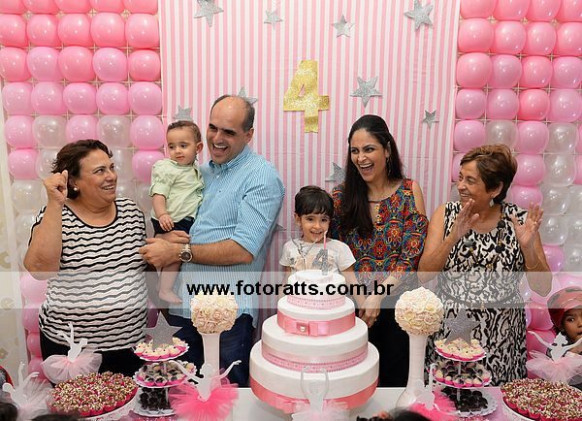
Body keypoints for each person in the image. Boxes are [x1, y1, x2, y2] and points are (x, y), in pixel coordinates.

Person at [139, 95, 285, 386]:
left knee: (229, 396)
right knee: (181, 392)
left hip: (228, 312)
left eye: (228, 132)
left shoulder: (261, 177)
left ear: (248, 134)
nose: (217, 138)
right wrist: (165, 237)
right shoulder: (198, 173)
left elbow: (243, 250)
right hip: (182, 305)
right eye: (212, 127)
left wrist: (177, 251)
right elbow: (178, 222)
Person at [418, 144, 551, 385]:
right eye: (460, 178)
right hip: (453, 331)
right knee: (450, 398)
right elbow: (423, 275)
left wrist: (528, 248)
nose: (460, 186)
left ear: (495, 188)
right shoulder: (446, 214)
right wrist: (452, 237)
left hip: (502, 335)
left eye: (470, 180)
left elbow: (542, 287)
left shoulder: (520, 221)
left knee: (496, 401)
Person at [24, 140, 148, 377]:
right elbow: (40, 269)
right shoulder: (56, 215)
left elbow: (144, 269)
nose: (111, 176)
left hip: (129, 346)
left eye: (111, 167)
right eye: (100, 171)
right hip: (72, 350)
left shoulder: (131, 212)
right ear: (73, 181)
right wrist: (55, 203)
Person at [330, 114, 428, 387]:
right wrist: (363, 298)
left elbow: (411, 255)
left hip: (399, 307)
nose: (361, 158)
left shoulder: (409, 191)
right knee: (353, 386)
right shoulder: (340, 197)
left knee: (395, 386)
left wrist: (378, 296)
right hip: (355, 306)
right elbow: (338, 254)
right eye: (355, 151)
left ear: (387, 150)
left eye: (369, 149)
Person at [149, 120, 204, 304]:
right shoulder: (168, 169)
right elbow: (159, 194)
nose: (177, 151)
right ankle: (165, 289)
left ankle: (162, 284)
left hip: (180, 218)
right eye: (172, 146)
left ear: (198, 148)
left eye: (183, 145)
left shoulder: (193, 169)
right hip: (170, 218)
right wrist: (163, 214)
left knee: (178, 253)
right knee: (176, 253)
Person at [280, 186, 360, 300]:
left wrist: (365, 307)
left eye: (323, 220)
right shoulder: (289, 248)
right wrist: (281, 305)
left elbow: (353, 283)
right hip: (298, 307)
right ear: (298, 219)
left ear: (329, 221)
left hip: (330, 308)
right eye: (310, 219)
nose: (317, 226)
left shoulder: (340, 249)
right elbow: (287, 281)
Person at [547, 286, 582, 389]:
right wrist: (574, 352)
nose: (580, 323)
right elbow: (555, 386)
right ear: (561, 326)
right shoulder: (556, 350)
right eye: (571, 319)